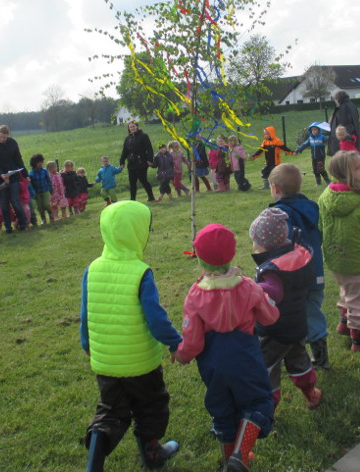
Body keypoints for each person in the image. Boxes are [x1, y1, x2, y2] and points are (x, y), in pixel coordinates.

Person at [80, 201, 181, 471]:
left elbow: (85, 313)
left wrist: (87, 344)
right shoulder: (141, 273)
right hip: (140, 365)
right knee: (151, 406)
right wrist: (174, 342)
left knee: (110, 410)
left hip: (105, 362)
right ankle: (153, 452)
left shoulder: (92, 269)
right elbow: (156, 319)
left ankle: (94, 463)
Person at [173, 224, 278, 471]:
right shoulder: (248, 286)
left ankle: (229, 460)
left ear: (199, 258)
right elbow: (270, 317)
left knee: (223, 408)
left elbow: (193, 341)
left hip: (213, 364)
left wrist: (181, 354)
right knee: (257, 402)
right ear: (232, 253)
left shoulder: (195, 294)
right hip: (246, 359)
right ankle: (240, 456)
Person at [249, 207, 322, 411]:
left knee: (267, 367)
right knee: (299, 360)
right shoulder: (298, 256)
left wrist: (252, 289)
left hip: (274, 331)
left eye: (255, 242)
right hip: (297, 326)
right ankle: (311, 394)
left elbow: (273, 292)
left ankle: (267, 407)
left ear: (265, 245)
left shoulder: (273, 270)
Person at [318, 151, 360, 351]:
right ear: (346, 174)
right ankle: (359, 337)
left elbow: (320, 226)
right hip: (356, 257)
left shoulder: (325, 196)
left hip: (334, 255)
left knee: (346, 288)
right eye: (357, 168)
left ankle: (344, 322)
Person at [268, 164, 329, 369]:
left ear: (275, 188)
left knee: (302, 314)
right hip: (315, 272)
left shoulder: (279, 214)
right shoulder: (310, 207)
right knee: (313, 310)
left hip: (294, 277)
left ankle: (317, 358)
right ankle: (311, 355)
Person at [0, 125, 28, 233]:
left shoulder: (13, 143)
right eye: (1, 137)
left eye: (4, 137)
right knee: (4, 203)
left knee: (15, 201)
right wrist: (1, 174)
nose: (2, 139)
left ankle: (23, 223)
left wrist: (25, 174)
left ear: (8, 136)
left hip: (13, 176)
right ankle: (8, 227)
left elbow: (18, 159)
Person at [119, 121, 156, 202]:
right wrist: (122, 161)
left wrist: (150, 160)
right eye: (130, 127)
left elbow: (149, 149)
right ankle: (133, 200)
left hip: (141, 162)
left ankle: (151, 197)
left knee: (143, 180)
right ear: (129, 129)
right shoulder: (127, 139)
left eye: (133, 126)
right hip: (131, 163)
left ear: (137, 127)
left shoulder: (144, 136)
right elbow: (124, 151)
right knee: (132, 182)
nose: (132, 128)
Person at [327, 89, 360, 155]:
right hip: (352, 137)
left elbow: (343, 123)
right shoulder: (352, 105)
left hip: (345, 141)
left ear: (337, 99)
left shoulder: (342, 107)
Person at [29, 153, 53, 225]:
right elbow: (31, 185)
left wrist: (50, 189)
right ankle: (43, 219)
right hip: (37, 193)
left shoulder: (44, 171)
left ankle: (51, 214)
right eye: (39, 162)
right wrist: (33, 193)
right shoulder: (31, 173)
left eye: (41, 162)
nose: (41, 164)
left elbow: (48, 180)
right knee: (40, 207)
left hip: (45, 191)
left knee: (46, 204)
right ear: (34, 163)